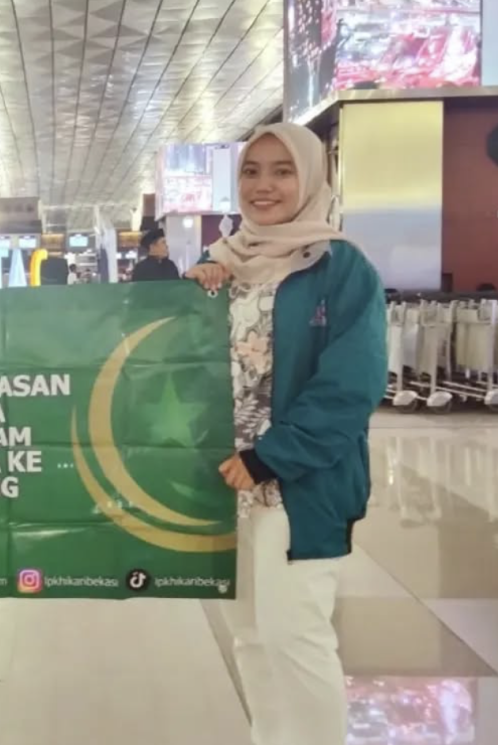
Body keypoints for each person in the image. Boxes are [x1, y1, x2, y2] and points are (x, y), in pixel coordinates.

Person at [186, 123, 387, 745]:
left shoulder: (339, 267)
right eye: (251, 171)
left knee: (294, 636)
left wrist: (271, 456)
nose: (264, 185)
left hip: (296, 481)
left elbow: (352, 384)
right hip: (227, 483)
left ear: (312, 178)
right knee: (250, 636)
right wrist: (192, 297)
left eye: (283, 170)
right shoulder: (226, 264)